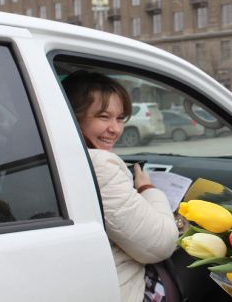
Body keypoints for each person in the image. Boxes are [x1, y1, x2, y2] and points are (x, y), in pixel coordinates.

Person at [62, 71, 178, 302]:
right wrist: (148, 190)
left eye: (120, 118)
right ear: (73, 116)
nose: (115, 129)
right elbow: (160, 244)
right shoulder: (98, 165)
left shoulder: (46, 157)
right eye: (104, 117)